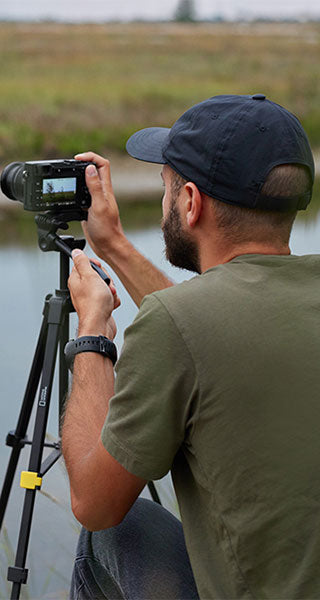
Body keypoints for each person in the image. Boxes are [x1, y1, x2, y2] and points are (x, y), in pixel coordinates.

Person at [61, 94, 319, 598]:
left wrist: (92, 335)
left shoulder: (176, 326)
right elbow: (215, 326)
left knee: (113, 529)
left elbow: (93, 503)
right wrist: (112, 244)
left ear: (190, 202)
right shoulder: (208, 321)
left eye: (166, 188)